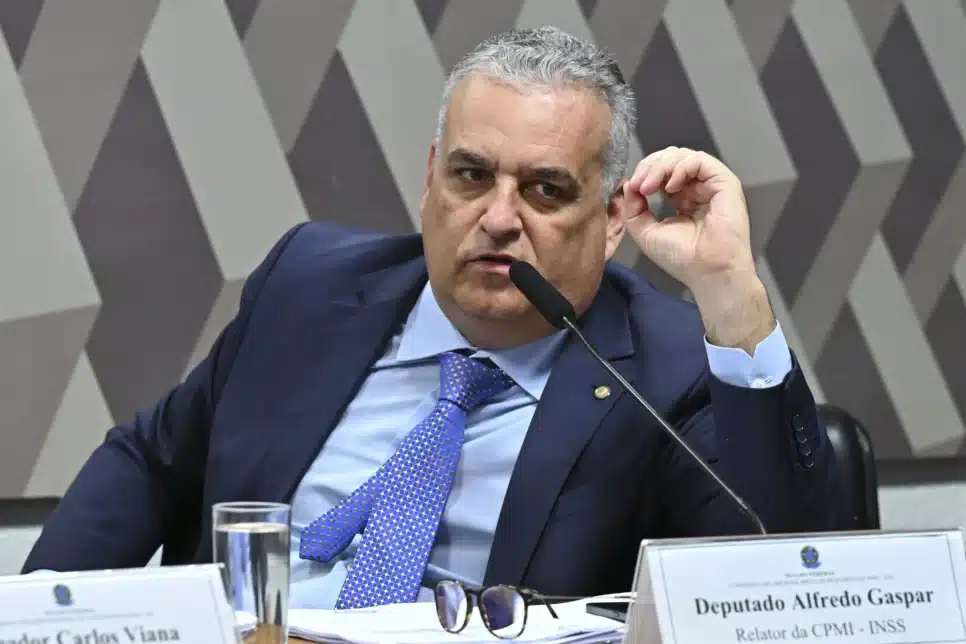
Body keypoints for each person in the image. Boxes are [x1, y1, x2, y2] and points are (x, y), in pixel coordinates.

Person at [22, 26, 846, 608]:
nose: (499, 218)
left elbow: (780, 576)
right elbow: (153, 460)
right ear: (429, 181)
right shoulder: (308, 287)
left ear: (611, 221)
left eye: (545, 190)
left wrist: (730, 291)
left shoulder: (666, 371)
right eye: (471, 176)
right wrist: (41, 616)